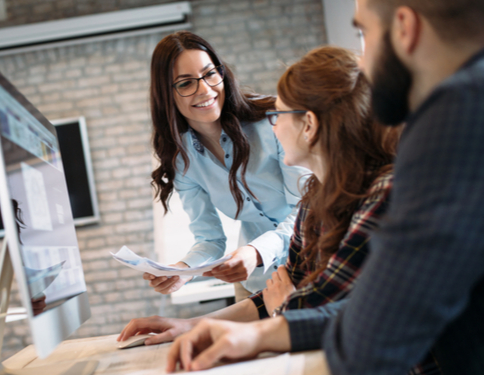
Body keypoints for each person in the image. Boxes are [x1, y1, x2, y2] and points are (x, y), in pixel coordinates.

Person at [164, 0, 484, 374]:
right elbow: (372, 307)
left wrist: (285, 310)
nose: (362, 66)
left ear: (404, 27)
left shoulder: (452, 122)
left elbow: (376, 320)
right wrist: (214, 325)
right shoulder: (313, 199)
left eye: (364, 34)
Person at [120, 44, 404, 366]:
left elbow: (316, 307)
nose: (272, 124)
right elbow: (294, 297)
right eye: (186, 83)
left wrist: (283, 305)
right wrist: (188, 319)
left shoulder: (380, 197)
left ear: (308, 125)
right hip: (266, 290)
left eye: (278, 114)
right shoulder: (314, 200)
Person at [148, 31, 309, 300]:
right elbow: (210, 239)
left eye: (210, 73)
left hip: (315, 267)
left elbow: (307, 210)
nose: (205, 90)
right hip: (258, 285)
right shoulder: (182, 161)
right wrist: (183, 270)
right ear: (167, 95)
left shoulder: (273, 121)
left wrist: (256, 252)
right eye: (186, 83)